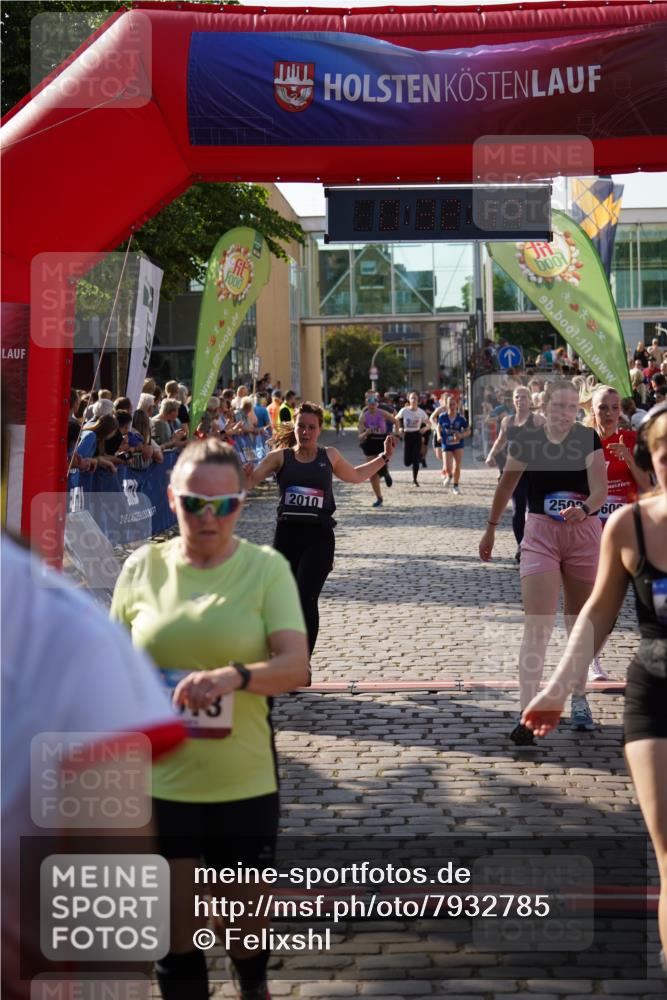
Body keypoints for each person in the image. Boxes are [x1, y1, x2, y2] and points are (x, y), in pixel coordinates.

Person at [111, 438, 310, 1000]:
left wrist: (233, 678)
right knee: (176, 938)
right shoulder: (140, 568)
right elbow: (113, 668)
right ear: (172, 499)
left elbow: (297, 667)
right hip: (161, 782)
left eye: (223, 506)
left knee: (242, 927)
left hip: (241, 782)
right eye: (195, 503)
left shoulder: (265, 569)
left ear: (241, 506)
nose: (208, 517)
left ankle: (252, 984)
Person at [521, 404, 667, 966]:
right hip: (656, 693)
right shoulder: (629, 526)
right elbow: (596, 614)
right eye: (664, 455)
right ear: (650, 461)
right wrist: (558, 688)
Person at [479, 380, 608, 744]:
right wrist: (490, 530)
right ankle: (527, 713)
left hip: (583, 535)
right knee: (537, 625)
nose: (564, 413)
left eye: (571, 407)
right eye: (558, 406)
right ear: (544, 407)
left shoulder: (587, 439)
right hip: (540, 535)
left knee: (578, 626)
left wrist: (583, 508)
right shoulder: (529, 441)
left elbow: (600, 488)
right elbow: (505, 487)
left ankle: (579, 698)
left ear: (576, 410)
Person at [246, 402, 397, 653]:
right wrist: (245, 475)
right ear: (293, 427)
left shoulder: (330, 456)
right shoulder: (279, 458)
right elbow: (250, 482)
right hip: (286, 536)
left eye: (311, 427)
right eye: (300, 427)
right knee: (284, 600)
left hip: (319, 536)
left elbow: (356, 475)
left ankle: (301, 661)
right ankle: (284, 652)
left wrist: (384, 457)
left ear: (319, 429)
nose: (305, 432)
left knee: (306, 597)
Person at [486, 385, 545, 561]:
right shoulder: (507, 421)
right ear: (513, 400)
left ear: (529, 400)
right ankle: (521, 546)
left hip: (534, 469)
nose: (520, 400)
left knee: (534, 509)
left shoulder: (537, 420)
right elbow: (501, 439)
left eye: (523, 397)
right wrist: (491, 454)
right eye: (517, 397)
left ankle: (535, 544)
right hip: (513, 470)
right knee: (518, 508)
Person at [358, 395, 398, 507]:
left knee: (382, 462)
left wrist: (397, 434)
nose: (372, 404)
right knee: (372, 473)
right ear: (366, 403)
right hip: (370, 443)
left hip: (382, 442)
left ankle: (385, 472)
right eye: (369, 402)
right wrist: (366, 433)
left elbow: (396, 421)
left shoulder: (382, 413)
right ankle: (379, 498)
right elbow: (360, 436)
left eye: (374, 401)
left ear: (377, 403)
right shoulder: (364, 417)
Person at [431, 393, 471, 494]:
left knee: (457, 465)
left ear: (456, 405)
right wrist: (439, 436)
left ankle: (456, 486)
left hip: (458, 444)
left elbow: (468, 431)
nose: (452, 407)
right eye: (450, 404)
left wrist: (461, 435)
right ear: (447, 405)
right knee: (448, 467)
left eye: (454, 404)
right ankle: (449, 475)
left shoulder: (461, 418)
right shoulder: (442, 417)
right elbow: (439, 428)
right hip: (446, 444)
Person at [396, 392, 429, 487]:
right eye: (412, 398)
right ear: (409, 400)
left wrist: (425, 428)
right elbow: (396, 419)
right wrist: (400, 428)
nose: (414, 400)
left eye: (415, 398)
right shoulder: (404, 411)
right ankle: (417, 457)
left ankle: (415, 479)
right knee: (407, 462)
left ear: (418, 400)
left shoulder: (421, 412)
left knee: (415, 460)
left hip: (417, 435)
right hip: (407, 435)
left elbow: (429, 423)